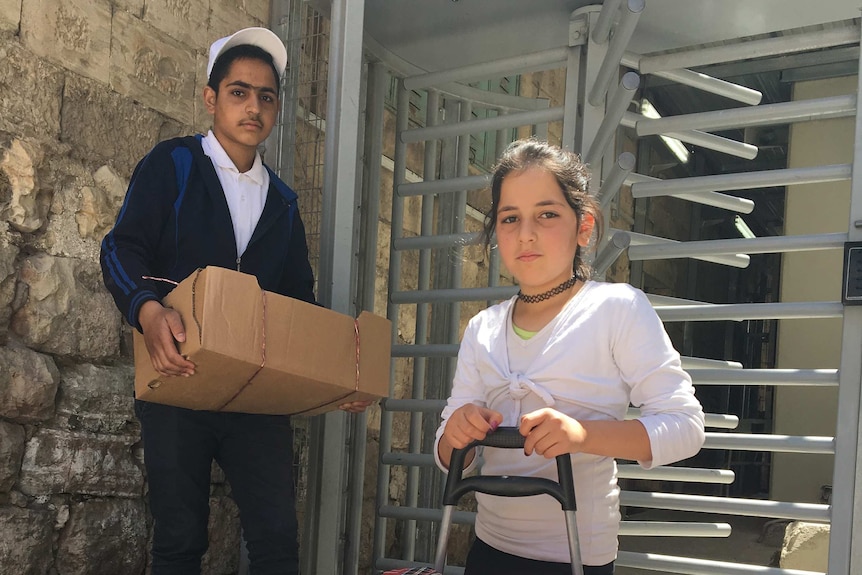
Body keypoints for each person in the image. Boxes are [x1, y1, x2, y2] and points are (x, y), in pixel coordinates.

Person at [101, 27, 369, 574]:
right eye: (239, 92)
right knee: (178, 540)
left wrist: (333, 380)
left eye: (266, 96)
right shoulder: (173, 165)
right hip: (177, 381)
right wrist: (147, 311)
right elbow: (119, 248)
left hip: (257, 396)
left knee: (276, 542)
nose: (253, 107)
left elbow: (299, 305)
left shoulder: (284, 203)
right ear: (211, 98)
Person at [434, 139, 705, 575]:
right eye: (509, 218)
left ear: (584, 226)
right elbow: (449, 457)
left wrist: (582, 436)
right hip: (487, 550)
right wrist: (456, 432)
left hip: (577, 555)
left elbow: (685, 428)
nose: (526, 233)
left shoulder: (617, 309)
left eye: (547, 214)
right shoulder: (482, 329)